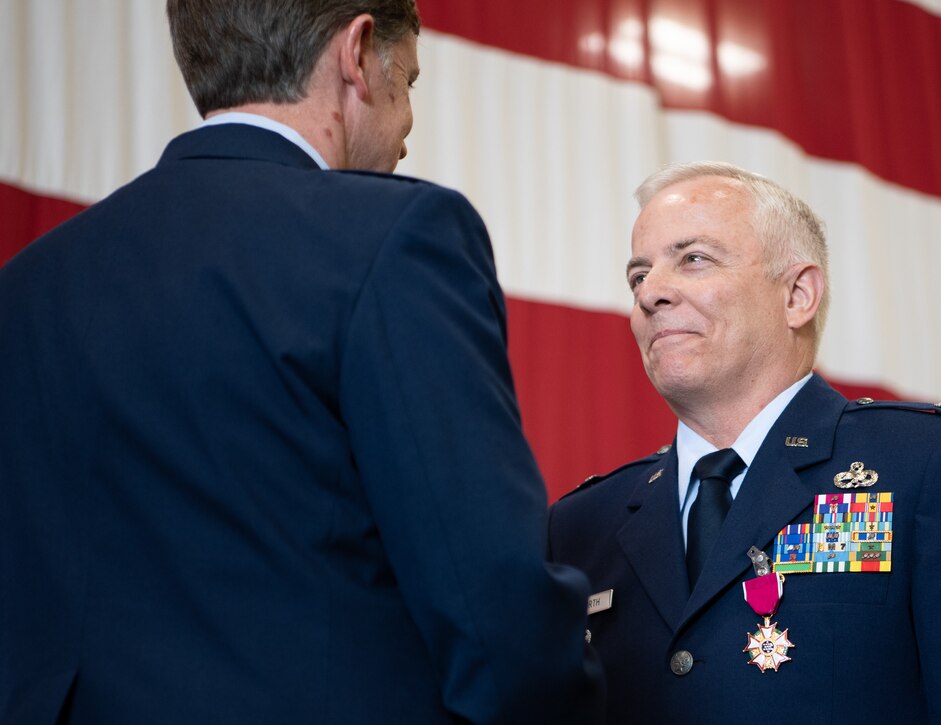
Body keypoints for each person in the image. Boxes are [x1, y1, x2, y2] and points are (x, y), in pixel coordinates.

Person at [0, 1, 603, 722]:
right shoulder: (395, 240)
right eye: (408, 82)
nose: (408, 130)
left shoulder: (27, 286)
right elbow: (498, 618)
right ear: (358, 52)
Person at [548, 161, 941, 723]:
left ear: (797, 294)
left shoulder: (928, 466)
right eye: (638, 276)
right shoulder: (579, 526)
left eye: (693, 259)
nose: (651, 294)